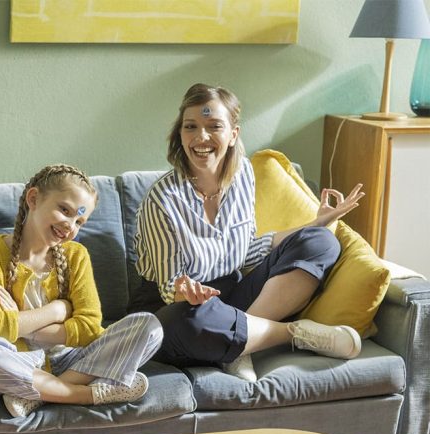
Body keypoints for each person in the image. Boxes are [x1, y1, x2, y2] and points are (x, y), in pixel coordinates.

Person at [130, 83, 365, 382]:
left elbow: (247, 252)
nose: (201, 137)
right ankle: (292, 334)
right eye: (191, 127)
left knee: (321, 242)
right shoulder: (161, 200)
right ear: (181, 134)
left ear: (233, 135)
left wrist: (317, 223)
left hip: (232, 296)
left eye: (214, 125)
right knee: (181, 323)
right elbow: (168, 286)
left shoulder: (244, 175)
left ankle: (241, 345)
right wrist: (186, 291)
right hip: (177, 306)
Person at [0, 164, 163, 418]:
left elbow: (89, 328)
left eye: (79, 221)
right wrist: (58, 310)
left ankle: (42, 394)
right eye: (64, 210)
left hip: (74, 360)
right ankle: (84, 394)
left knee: (150, 326)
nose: (70, 226)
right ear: (33, 199)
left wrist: (21, 322)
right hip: (21, 360)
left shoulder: (77, 256)